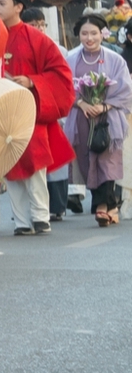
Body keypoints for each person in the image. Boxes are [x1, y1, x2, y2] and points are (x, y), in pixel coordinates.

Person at [0, 0, 77, 237]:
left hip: (30, 110)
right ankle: (21, 220)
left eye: (2, 3)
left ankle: (40, 216)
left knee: (35, 164)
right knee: (9, 165)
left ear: (19, 7)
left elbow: (60, 72)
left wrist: (31, 81)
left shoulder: (36, 38)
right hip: (2, 112)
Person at [65, 11, 131, 226]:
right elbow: (64, 87)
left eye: (94, 33)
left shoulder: (115, 59)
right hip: (82, 118)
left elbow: (125, 90)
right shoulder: (71, 59)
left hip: (108, 118)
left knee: (107, 160)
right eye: (84, 33)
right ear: (78, 35)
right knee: (88, 161)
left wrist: (104, 105)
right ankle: (111, 206)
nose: (89, 38)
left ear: (102, 34)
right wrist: (82, 103)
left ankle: (101, 207)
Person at [22, 6, 73, 222]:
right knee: (31, 160)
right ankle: (29, 211)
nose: (39, 28)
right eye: (34, 25)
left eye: (42, 24)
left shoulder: (57, 49)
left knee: (54, 160)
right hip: (27, 108)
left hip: (51, 107)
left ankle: (57, 206)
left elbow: (63, 79)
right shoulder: (20, 46)